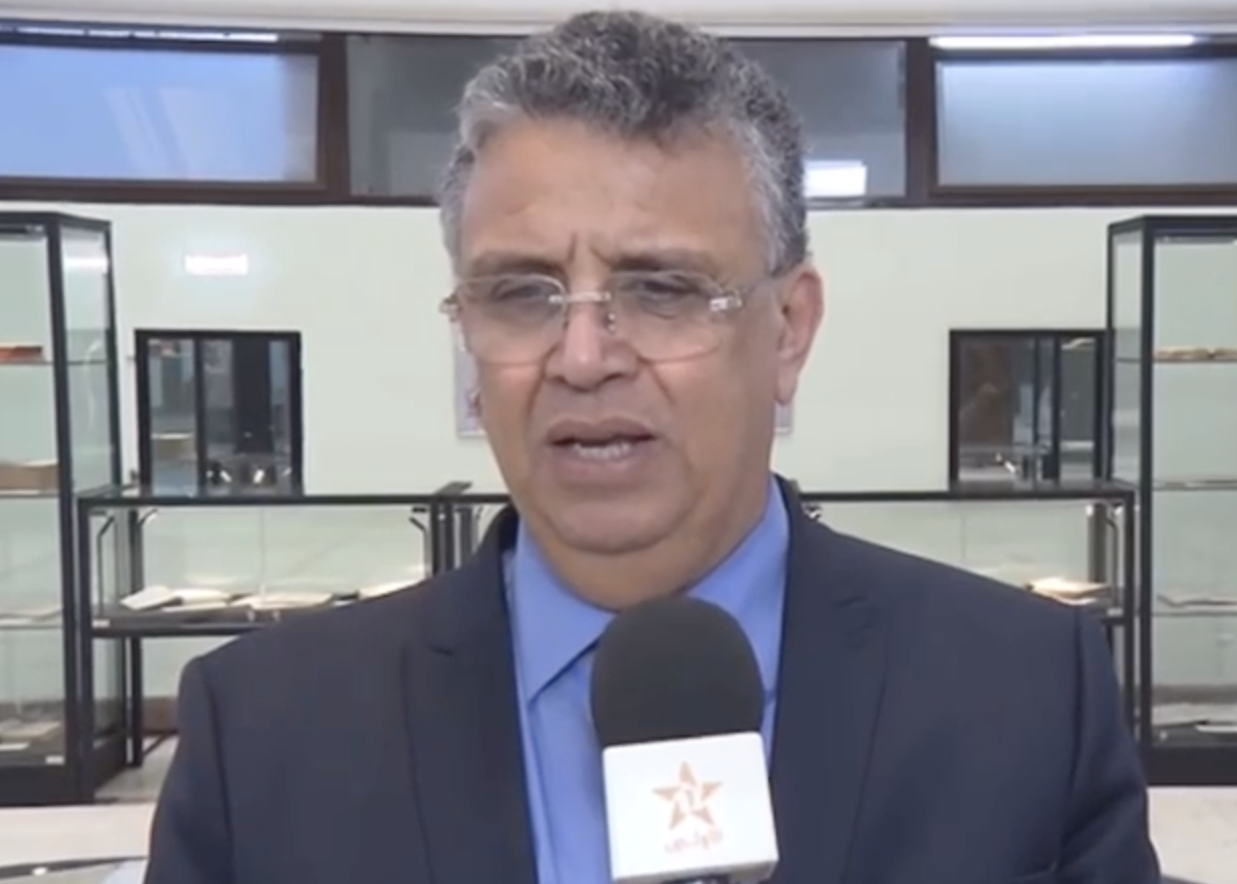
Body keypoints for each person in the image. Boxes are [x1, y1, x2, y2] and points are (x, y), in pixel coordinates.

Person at [144, 10, 1160, 884]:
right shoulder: (263, 733)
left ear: (789, 329)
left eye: (662, 290)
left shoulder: (1024, 696)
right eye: (521, 293)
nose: (583, 358)